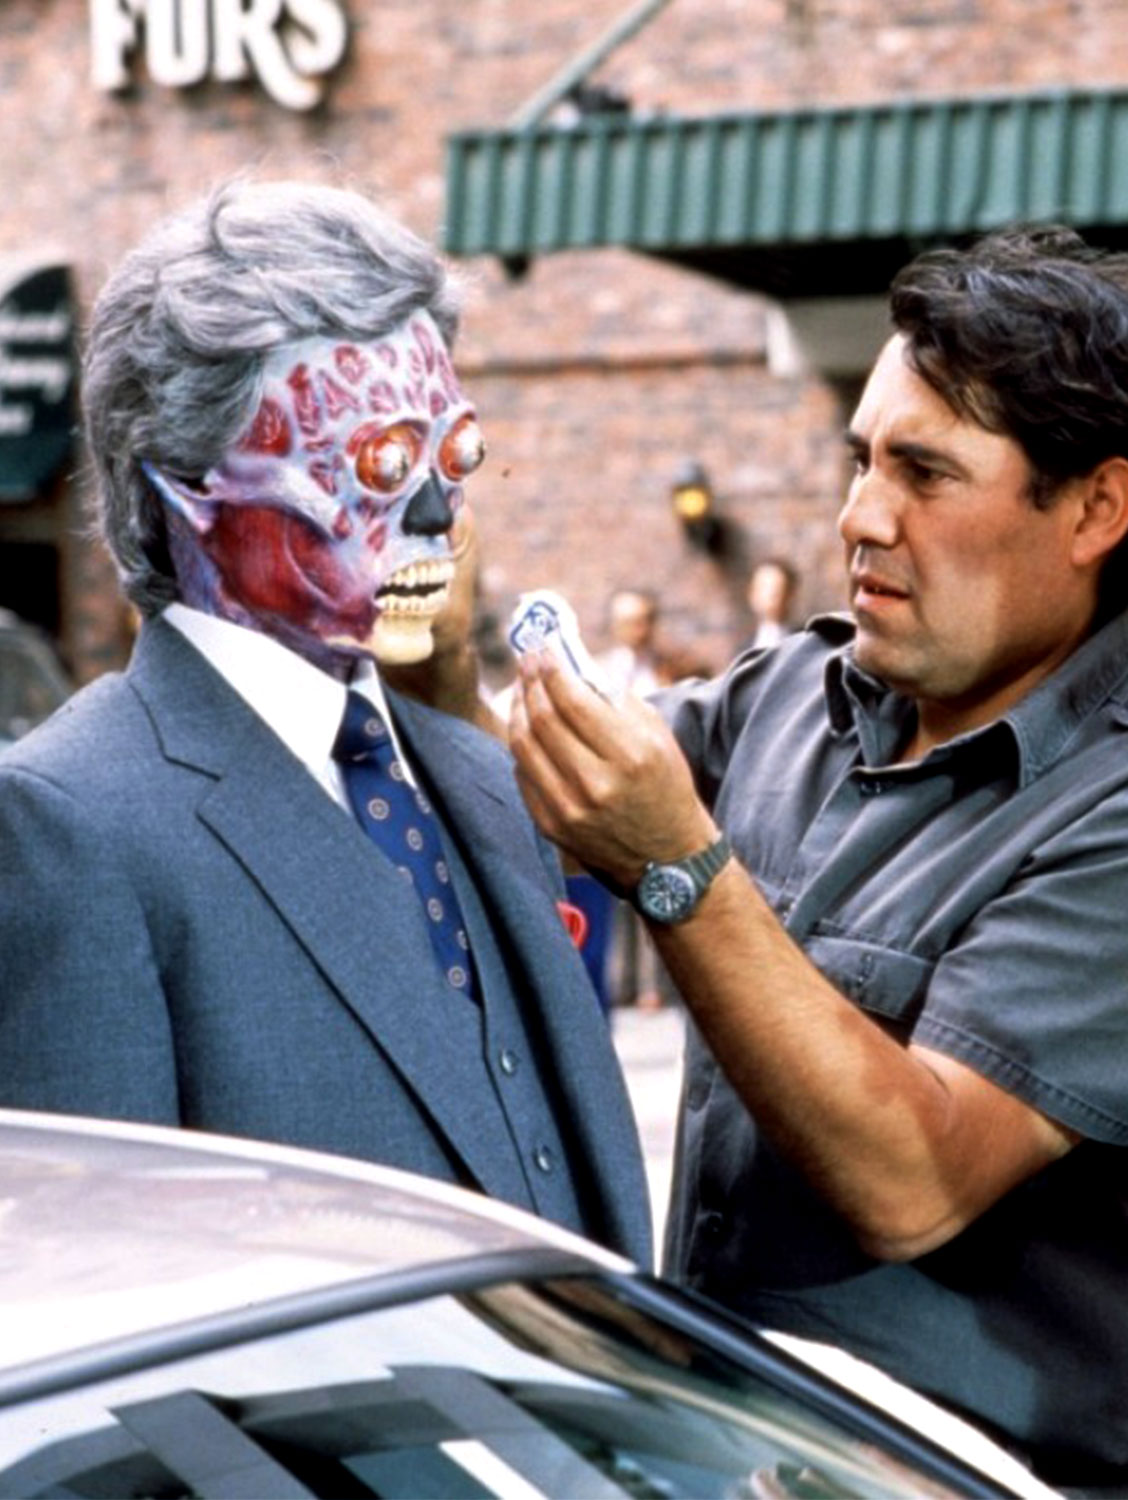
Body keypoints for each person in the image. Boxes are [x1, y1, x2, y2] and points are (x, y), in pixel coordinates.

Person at [510, 225, 1128, 1490]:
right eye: (860, 460)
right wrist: (428, 652)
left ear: (1095, 509)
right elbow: (527, 793)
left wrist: (680, 871)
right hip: (717, 1452)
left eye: (925, 472)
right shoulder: (793, 691)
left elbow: (911, 1179)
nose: (861, 515)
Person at [0, 181, 652, 1269]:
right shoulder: (70, 827)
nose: (437, 516)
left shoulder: (480, 776)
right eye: (375, 465)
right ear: (188, 487)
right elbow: (93, 1293)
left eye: (453, 456)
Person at [743, 555, 798, 651]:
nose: (771, 594)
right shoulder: (742, 650)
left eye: (778, 588)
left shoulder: (806, 641)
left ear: (791, 594)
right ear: (751, 594)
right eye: (764, 587)